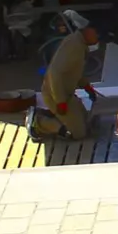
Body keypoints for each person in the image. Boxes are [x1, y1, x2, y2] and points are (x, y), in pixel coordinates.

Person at [40, 9, 100, 140]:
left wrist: (87, 87)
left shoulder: (80, 44)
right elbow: (55, 73)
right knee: (78, 134)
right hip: (55, 95)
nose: (97, 40)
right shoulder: (73, 46)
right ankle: (40, 122)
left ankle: (58, 117)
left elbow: (75, 71)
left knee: (86, 124)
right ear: (88, 31)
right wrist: (60, 102)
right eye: (96, 35)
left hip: (67, 95)